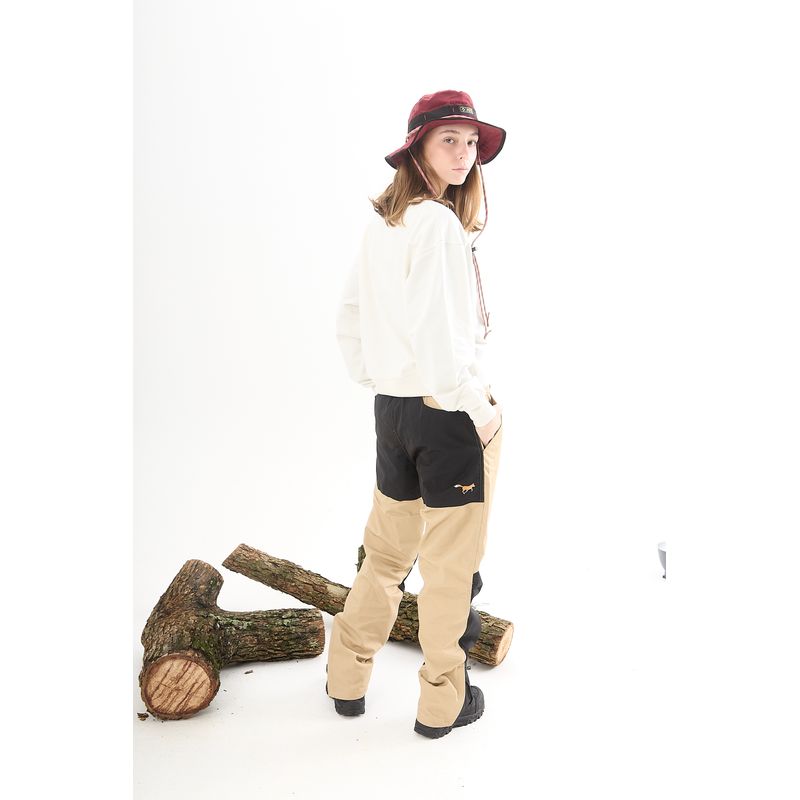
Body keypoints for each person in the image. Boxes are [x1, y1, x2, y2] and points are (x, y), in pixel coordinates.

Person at [325, 89, 506, 739]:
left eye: (470, 142)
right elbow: (438, 331)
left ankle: (346, 676)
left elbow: (350, 316)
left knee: (384, 556)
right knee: (449, 569)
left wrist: (380, 377)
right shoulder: (437, 224)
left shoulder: (385, 224)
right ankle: (441, 702)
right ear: (417, 148)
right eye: (448, 140)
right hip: (445, 411)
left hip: (394, 411)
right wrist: (473, 405)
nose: (463, 154)